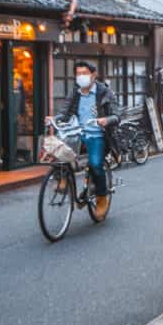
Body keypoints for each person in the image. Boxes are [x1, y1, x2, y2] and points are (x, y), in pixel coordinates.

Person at [51, 61, 118, 218]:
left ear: (93, 75)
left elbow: (117, 115)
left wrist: (106, 120)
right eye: (78, 73)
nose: (81, 77)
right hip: (78, 134)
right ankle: (63, 179)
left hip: (97, 135)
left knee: (95, 164)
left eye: (84, 73)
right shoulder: (75, 92)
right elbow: (65, 112)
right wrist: (55, 118)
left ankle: (102, 198)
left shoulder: (104, 92)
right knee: (58, 148)